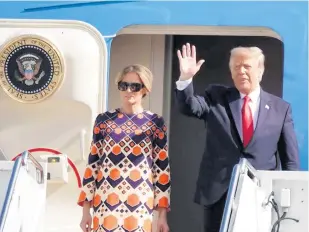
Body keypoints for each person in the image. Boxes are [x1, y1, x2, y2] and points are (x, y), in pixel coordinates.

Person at [175, 43, 300, 232]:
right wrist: (186, 78)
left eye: (246, 66)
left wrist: (290, 201)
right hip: (219, 195)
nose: (241, 71)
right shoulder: (216, 97)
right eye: (236, 67)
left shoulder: (280, 109)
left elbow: (290, 161)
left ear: (260, 70)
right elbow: (189, 106)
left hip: (261, 197)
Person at [78, 64, 171, 232]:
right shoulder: (104, 120)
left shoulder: (155, 123)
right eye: (123, 85)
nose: (128, 90)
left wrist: (162, 216)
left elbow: (162, 170)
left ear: (145, 89)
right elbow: (92, 165)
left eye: (135, 86)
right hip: (106, 199)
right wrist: (86, 211)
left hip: (140, 201)